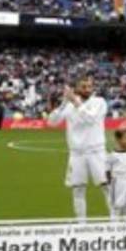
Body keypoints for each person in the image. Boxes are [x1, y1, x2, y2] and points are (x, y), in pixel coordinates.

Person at [46, 75, 110, 222]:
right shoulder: (68, 105)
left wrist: (75, 102)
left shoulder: (99, 102)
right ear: (76, 88)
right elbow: (52, 122)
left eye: (89, 86)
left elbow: (91, 119)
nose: (87, 89)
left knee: (106, 187)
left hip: (97, 151)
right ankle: (81, 224)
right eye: (83, 86)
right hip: (77, 154)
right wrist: (63, 103)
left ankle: (115, 222)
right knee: (78, 190)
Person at [105, 129, 126, 221]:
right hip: (117, 181)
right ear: (118, 139)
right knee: (116, 207)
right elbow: (107, 171)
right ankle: (114, 230)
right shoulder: (111, 156)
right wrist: (111, 184)